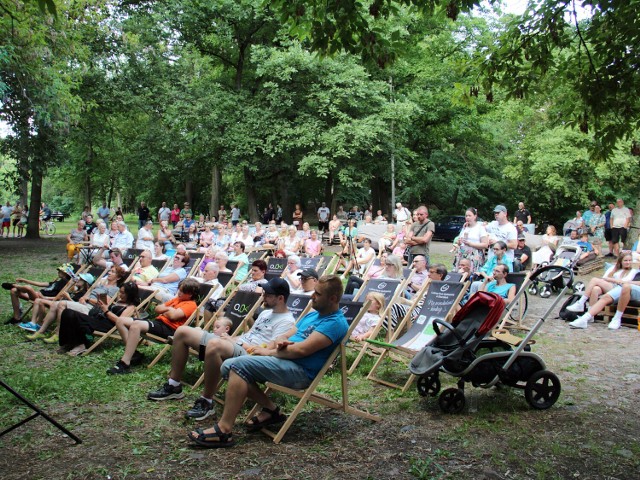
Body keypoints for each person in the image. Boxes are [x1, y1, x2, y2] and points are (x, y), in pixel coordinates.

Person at [186, 275, 347, 448]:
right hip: (285, 360)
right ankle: (271, 411)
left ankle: (224, 430)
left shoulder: (335, 323)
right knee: (229, 366)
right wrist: (281, 341)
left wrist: (268, 352)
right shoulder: (313, 315)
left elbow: (302, 350)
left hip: (300, 371)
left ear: (333, 298)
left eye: (318, 294)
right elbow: (287, 334)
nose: (312, 296)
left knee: (234, 365)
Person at [147, 278, 296, 422]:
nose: (263, 297)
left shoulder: (287, 321)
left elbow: (266, 350)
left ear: (281, 298)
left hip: (250, 355)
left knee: (214, 346)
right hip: (235, 344)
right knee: (182, 332)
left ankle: (207, 401)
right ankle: (174, 386)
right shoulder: (265, 313)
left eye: (268, 295)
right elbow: (248, 336)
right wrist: (229, 337)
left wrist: (232, 341)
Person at [107, 277, 200, 374]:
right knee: (121, 321)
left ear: (190, 294)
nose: (179, 293)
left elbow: (173, 316)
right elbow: (157, 309)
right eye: (179, 289)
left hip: (169, 329)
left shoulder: (191, 305)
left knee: (136, 325)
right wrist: (168, 310)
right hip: (158, 323)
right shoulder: (177, 299)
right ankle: (133, 354)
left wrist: (166, 310)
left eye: (183, 291)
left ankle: (125, 363)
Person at [58, 281, 140, 356]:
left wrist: (106, 311)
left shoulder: (131, 307)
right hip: (99, 319)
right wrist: (101, 304)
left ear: (130, 295)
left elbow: (120, 321)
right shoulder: (119, 301)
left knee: (76, 317)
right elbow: (107, 307)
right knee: (67, 312)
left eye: (123, 293)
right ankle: (68, 343)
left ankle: (82, 344)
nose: (120, 294)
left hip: (107, 325)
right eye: (120, 291)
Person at [566, 252, 637, 313]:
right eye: (625, 260)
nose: (628, 262)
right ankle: (590, 315)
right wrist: (608, 280)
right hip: (609, 286)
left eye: (630, 260)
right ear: (620, 261)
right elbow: (604, 278)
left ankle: (581, 302)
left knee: (594, 280)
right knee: (595, 289)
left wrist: (611, 280)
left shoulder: (633, 271)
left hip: (618, 289)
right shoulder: (613, 269)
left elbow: (623, 282)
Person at [4, 265, 73, 325]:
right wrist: (24, 280)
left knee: (28, 288)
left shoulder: (66, 284)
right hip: (36, 296)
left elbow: (60, 298)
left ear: (65, 273)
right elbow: (39, 283)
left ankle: (14, 285)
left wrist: (44, 297)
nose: (58, 272)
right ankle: (17, 318)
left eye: (60, 271)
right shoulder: (57, 282)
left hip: (42, 299)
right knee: (13, 291)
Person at [569, 274, 640, 331]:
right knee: (606, 297)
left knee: (626, 286)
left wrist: (624, 282)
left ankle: (617, 319)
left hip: (631, 287)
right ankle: (584, 319)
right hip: (626, 286)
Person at [454, 207, 489, 272]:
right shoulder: (465, 227)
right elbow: (459, 241)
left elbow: (485, 244)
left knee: (472, 272)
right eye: (466, 216)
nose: (467, 217)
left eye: (470, 215)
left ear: (475, 216)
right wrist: (459, 242)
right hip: (462, 254)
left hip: (474, 255)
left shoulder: (480, 228)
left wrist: (470, 244)